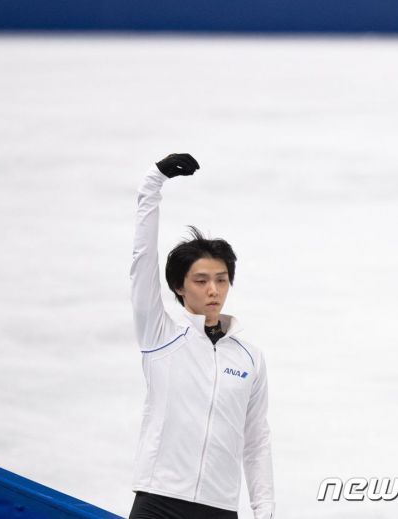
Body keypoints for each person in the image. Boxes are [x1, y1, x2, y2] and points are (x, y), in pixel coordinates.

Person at [128, 153, 275, 519]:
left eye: (221, 280)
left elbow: (255, 439)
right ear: (179, 287)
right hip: (158, 500)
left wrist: (265, 510)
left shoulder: (249, 358)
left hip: (219, 508)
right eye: (201, 280)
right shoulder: (161, 335)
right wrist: (153, 182)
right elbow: (142, 259)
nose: (213, 290)